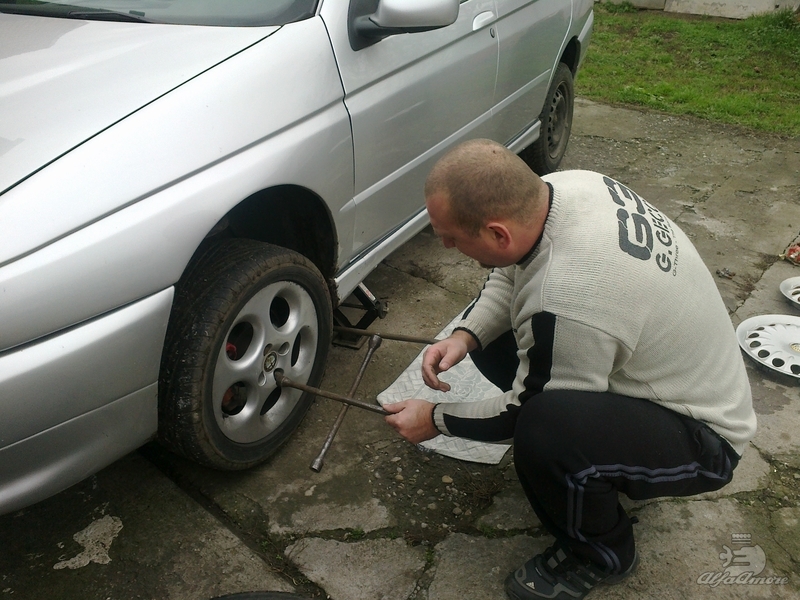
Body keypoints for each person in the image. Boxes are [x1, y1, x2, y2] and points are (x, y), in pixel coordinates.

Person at [383, 138, 756, 600]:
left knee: (545, 428)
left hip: (705, 437)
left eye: (452, 237)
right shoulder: (565, 189)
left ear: (498, 233)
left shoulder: (568, 297)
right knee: (493, 342)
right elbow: (512, 270)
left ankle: (602, 553)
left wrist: (435, 419)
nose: (445, 245)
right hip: (665, 374)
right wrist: (464, 335)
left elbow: (521, 414)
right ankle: (594, 466)